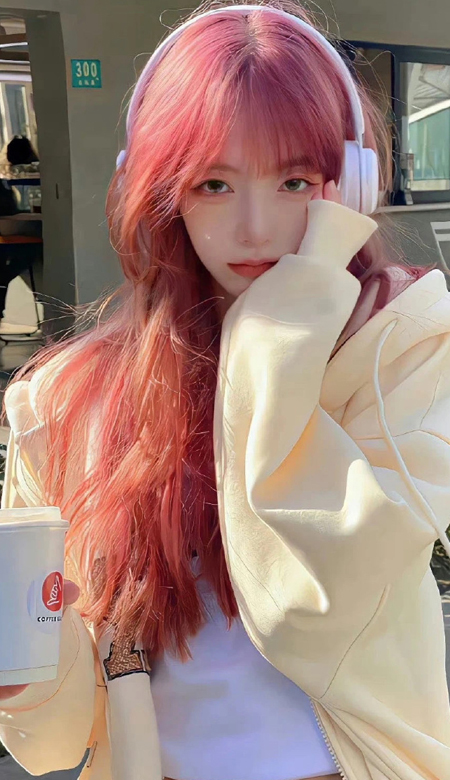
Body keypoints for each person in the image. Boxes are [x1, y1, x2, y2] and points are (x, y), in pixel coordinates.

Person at [0, 2, 450, 779]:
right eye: (213, 183)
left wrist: (280, 322)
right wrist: (25, 672)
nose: (255, 228)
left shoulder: (402, 350)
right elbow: (55, 737)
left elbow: (313, 602)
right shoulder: (67, 400)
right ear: (159, 190)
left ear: (352, 187)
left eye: (296, 181)